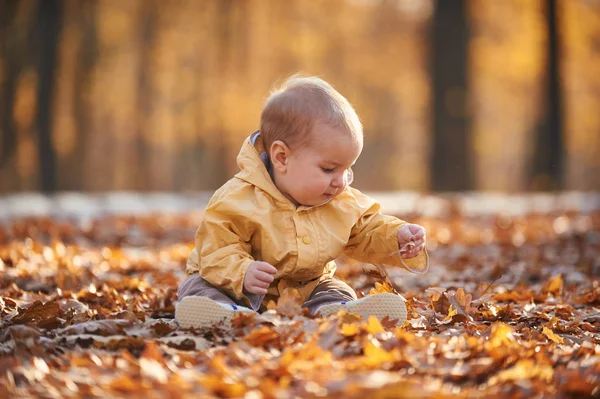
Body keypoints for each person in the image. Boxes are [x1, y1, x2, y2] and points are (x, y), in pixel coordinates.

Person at [175, 75, 428, 330]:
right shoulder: (237, 199)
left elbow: (367, 229)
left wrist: (397, 236)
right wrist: (242, 272)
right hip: (234, 287)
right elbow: (216, 249)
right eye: (329, 169)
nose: (341, 181)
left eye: (347, 169)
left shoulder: (341, 200)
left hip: (304, 289)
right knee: (199, 286)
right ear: (282, 157)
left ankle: (335, 313)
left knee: (333, 287)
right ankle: (227, 314)